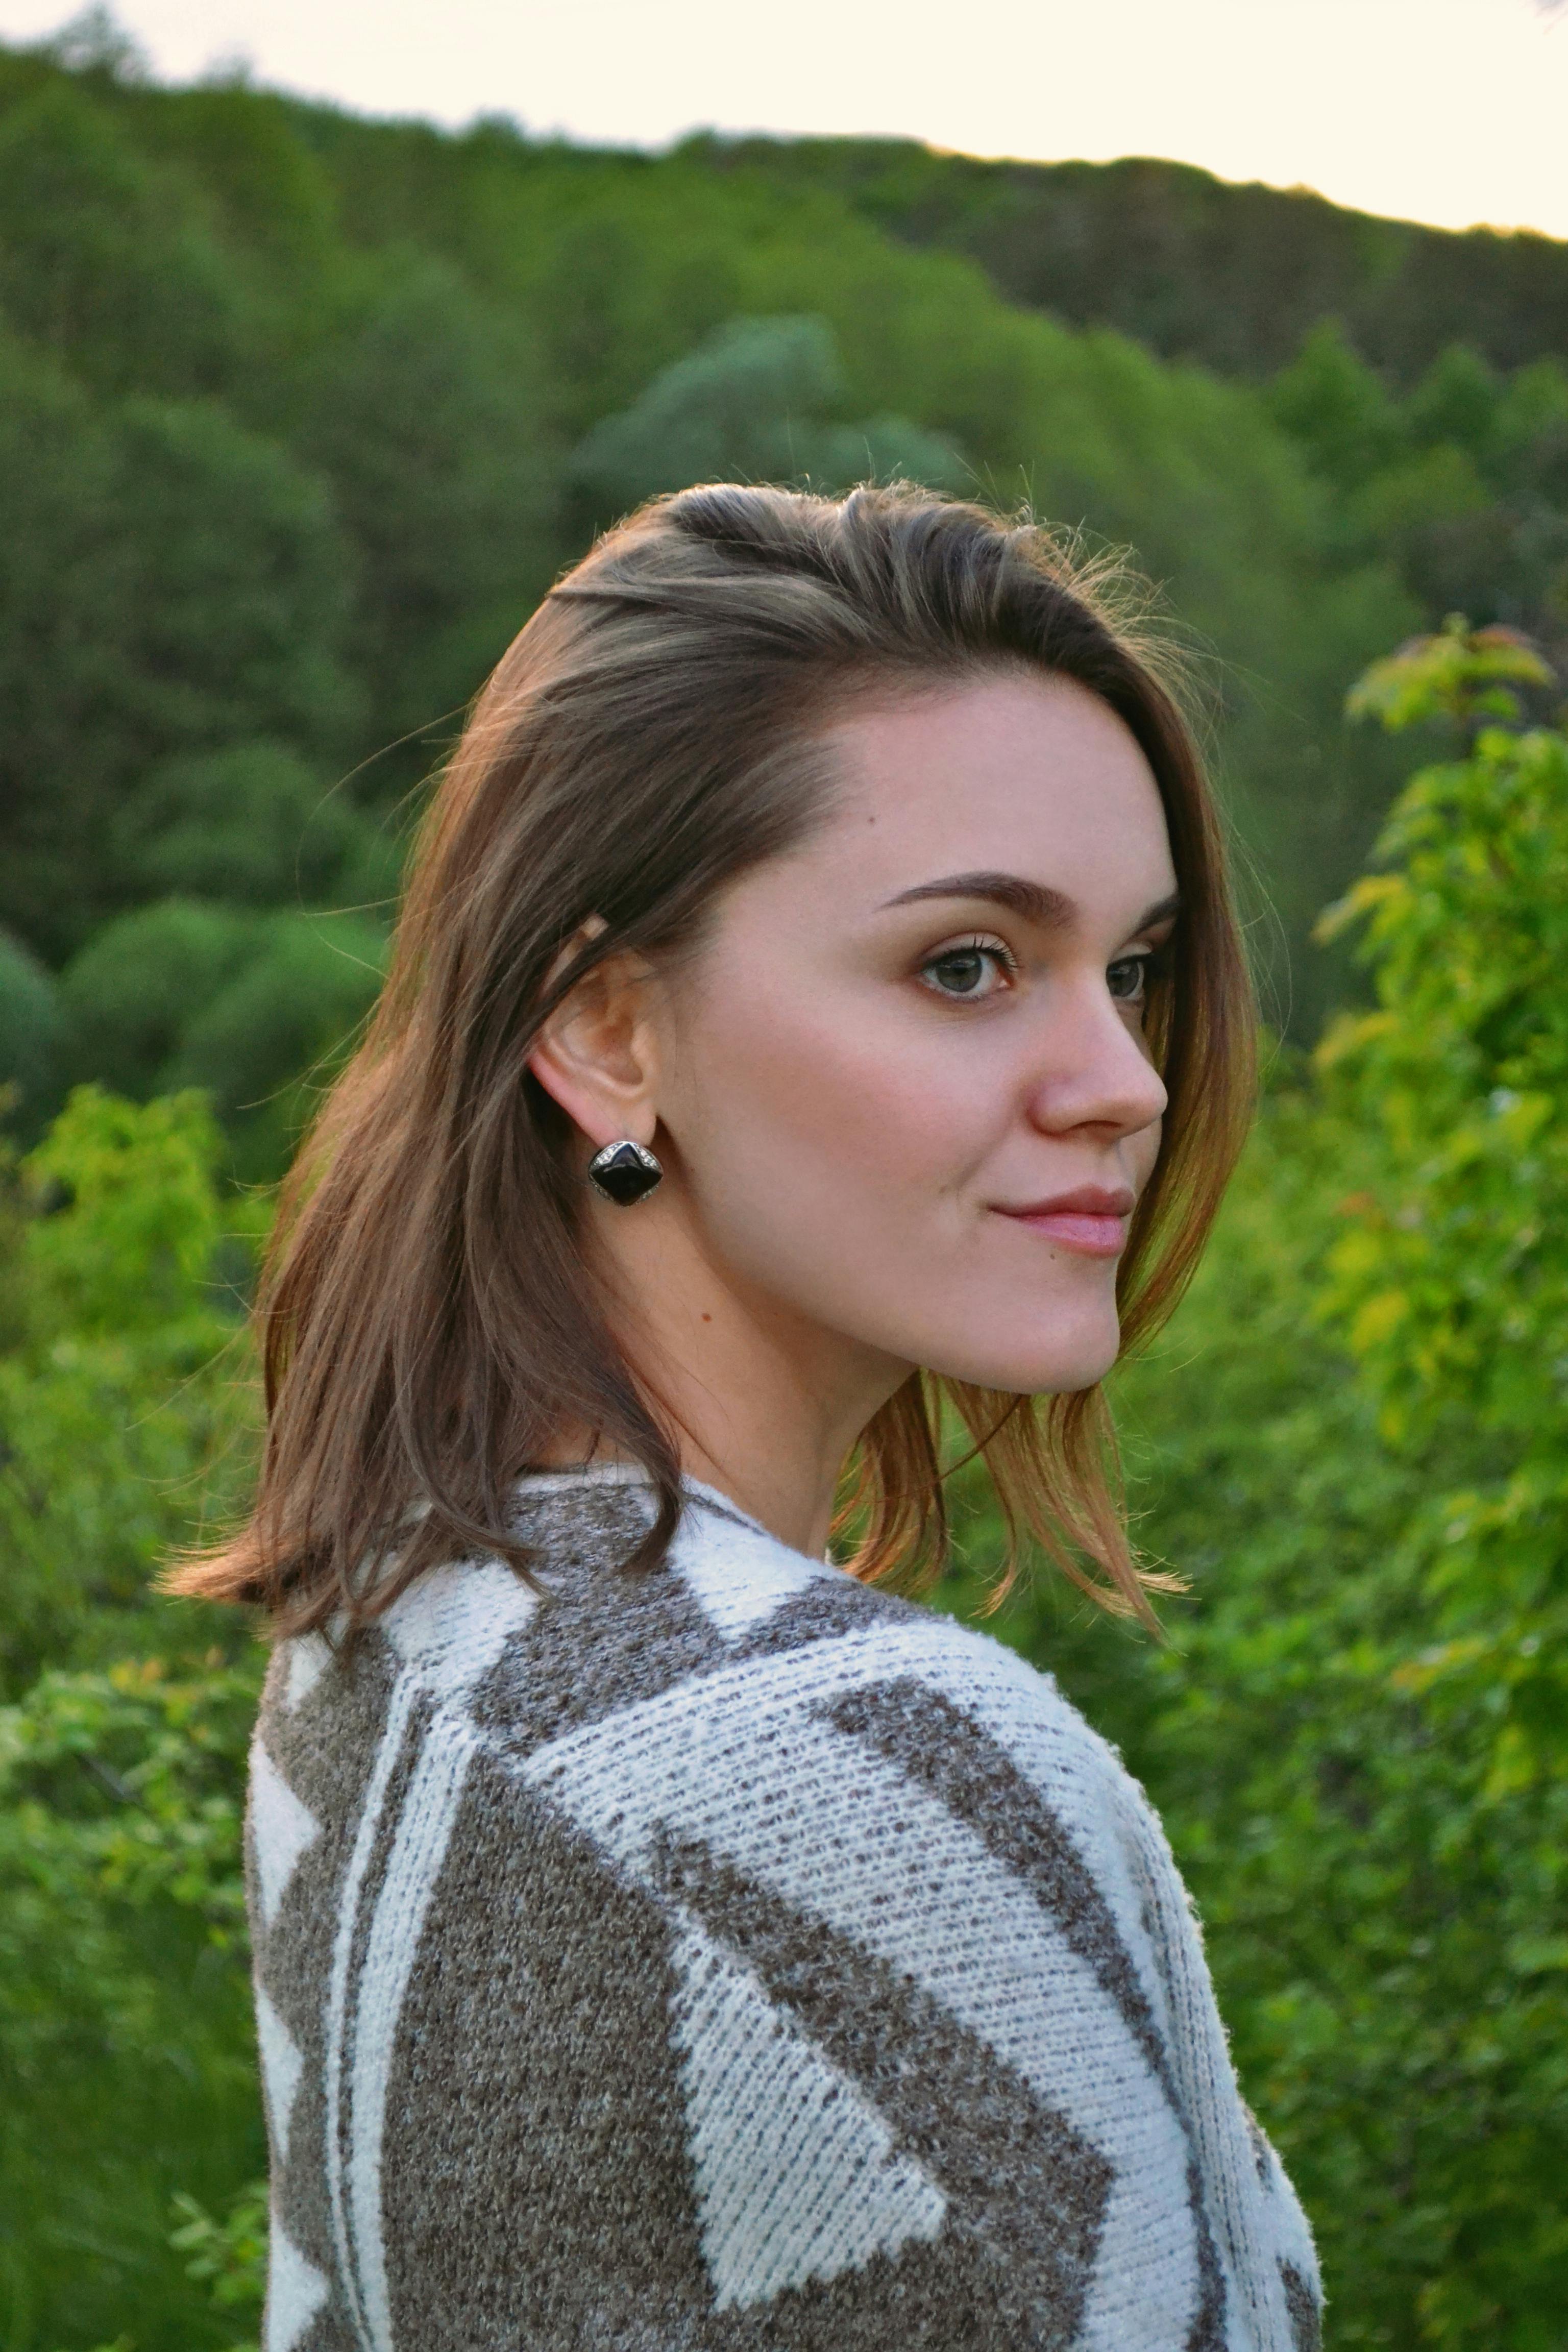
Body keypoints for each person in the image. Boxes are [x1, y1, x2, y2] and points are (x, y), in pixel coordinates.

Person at [179, 484, 1322, 2350]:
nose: (1123, 1081)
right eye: (967, 966)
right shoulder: (833, 1772)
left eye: (1131, 969)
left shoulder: (407, 1618)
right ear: (610, 1028)